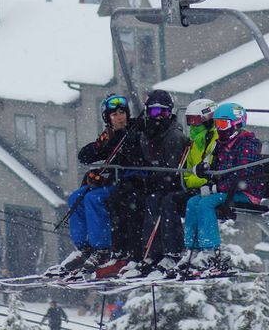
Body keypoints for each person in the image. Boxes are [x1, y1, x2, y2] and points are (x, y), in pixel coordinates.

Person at [48, 94, 140, 276]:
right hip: (111, 180)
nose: (120, 117)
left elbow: (128, 159)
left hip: (127, 183)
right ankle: (83, 247)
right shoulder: (110, 136)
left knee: (93, 198)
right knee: (76, 197)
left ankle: (102, 248)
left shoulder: (133, 132)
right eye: (114, 115)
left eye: (122, 113)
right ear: (108, 118)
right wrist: (99, 146)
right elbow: (85, 156)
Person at [180, 102, 263, 272]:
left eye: (223, 124)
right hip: (226, 190)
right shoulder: (222, 143)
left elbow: (241, 173)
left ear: (237, 123)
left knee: (205, 203)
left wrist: (217, 188)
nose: (220, 128)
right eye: (217, 124)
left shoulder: (248, 143)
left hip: (244, 192)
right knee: (193, 202)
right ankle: (193, 249)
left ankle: (211, 251)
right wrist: (204, 173)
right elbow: (216, 168)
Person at [119, 90, 188, 277]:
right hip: (158, 184)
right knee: (149, 200)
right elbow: (143, 159)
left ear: (170, 113)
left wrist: (155, 181)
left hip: (175, 185)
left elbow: (172, 171)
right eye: (154, 112)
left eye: (163, 112)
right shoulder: (148, 134)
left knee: (164, 202)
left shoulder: (173, 136)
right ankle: (151, 252)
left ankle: (173, 251)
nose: (158, 117)